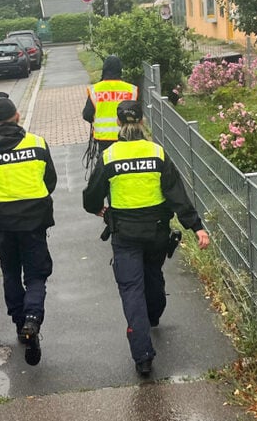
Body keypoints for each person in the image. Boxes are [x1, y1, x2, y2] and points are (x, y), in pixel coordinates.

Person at [82, 100, 210, 376]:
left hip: (125, 235)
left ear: (118, 123)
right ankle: (154, 314)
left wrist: (97, 209)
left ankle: (143, 356)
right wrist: (196, 226)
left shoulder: (110, 156)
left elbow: (91, 195)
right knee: (153, 277)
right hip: (156, 233)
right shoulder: (157, 153)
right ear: (142, 122)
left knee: (131, 291)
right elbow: (177, 194)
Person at [0, 97, 57, 365]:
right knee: (36, 273)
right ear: (17, 116)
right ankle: (33, 317)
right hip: (34, 222)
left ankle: (21, 325)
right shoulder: (37, 144)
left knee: (10, 272)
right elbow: (49, 180)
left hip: (3, 225)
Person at [82, 55, 138, 166]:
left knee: (105, 168)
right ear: (120, 70)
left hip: (104, 140)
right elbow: (137, 113)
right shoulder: (131, 90)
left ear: (105, 70)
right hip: (126, 136)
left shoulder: (96, 90)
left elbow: (87, 114)